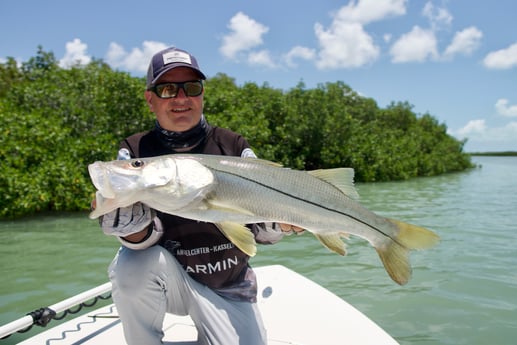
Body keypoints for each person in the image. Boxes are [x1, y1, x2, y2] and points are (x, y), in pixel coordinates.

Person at [96, 47, 303, 345]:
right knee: (131, 265)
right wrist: (130, 229)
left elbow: (262, 234)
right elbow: (142, 239)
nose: (181, 98)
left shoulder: (234, 147)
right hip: (170, 281)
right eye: (167, 88)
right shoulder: (134, 152)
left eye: (191, 88)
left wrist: (283, 224)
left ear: (202, 95)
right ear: (150, 99)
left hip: (230, 283)